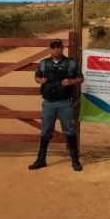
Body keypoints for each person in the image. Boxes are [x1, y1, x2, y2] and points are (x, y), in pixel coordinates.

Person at [28, 38, 85, 171]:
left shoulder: (71, 63)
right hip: (48, 103)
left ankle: (75, 160)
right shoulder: (43, 63)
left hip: (65, 103)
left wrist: (71, 82)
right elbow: (36, 77)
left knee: (70, 130)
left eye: (58, 47)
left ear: (62, 48)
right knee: (45, 131)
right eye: (53, 47)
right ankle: (41, 160)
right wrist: (40, 80)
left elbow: (81, 78)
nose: (56, 49)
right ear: (50, 49)